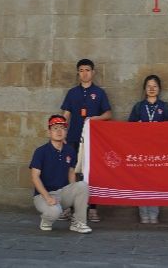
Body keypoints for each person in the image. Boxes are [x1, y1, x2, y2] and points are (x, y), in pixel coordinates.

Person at [60, 58, 112, 222]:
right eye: (81, 70)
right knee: (71, 172)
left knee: (91, 173)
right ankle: (69, 208)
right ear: (78, 73)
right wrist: (62, 133)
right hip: (73, 138)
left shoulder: (99, 93)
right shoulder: (72, 93)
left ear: (93, 72)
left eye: (87, 70)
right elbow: (65, 115)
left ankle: (92, 209)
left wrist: (96, 118)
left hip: (92, 140)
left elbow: (108, 114)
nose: (84, 73)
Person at [29, 115, 92, 234]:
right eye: (55, 128)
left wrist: (74, 197)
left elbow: (71, 173)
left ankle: (78, 223)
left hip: (62, 193)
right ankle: (46, 220)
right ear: (49, 132)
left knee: (82, 186)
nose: (59, 131)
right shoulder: (41, 151)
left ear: (66, 132)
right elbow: (35, 177)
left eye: (62, 128)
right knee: (54, 212)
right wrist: (47, 197)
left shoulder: (70, 150)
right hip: (43, 195)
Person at [128, 74, 168, 224]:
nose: (152, 89)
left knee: (156, 182)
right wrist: (138, 127)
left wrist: (160, 129)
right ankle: (143, 214)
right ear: (144, 88)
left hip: (158, 151)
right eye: (149, 86)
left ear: (159, 89)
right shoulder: (138, 107)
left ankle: (154, 214)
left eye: (155, 86)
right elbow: (128, 129)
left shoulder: (164, 107)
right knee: (141, 182)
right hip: (141, 151)